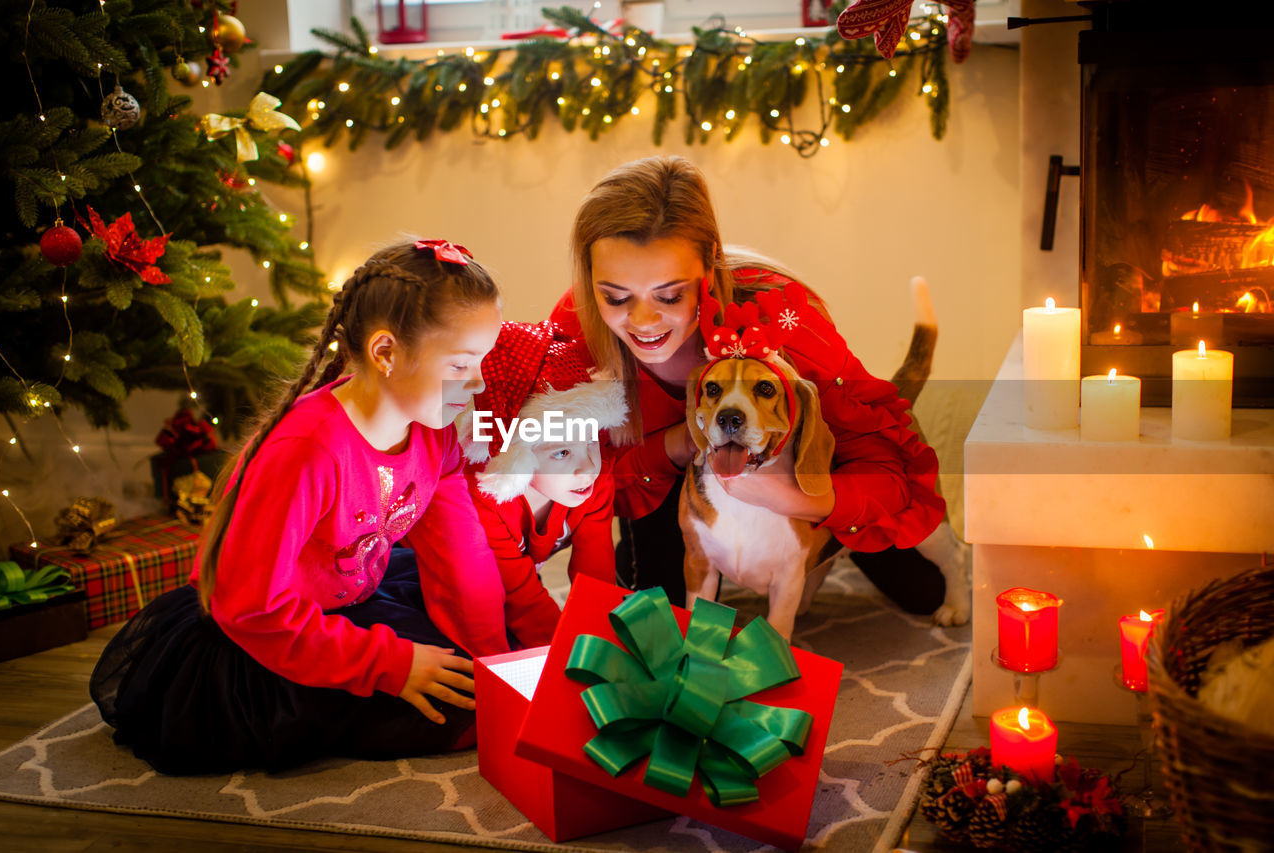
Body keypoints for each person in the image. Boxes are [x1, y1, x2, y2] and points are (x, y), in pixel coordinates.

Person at [90, 239, 510, 775]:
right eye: (461, 364)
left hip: (350, 595)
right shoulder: (306, 451)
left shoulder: (435, 437)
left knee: (480, 679)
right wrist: (390, 663)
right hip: (257, 633)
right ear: (385, 353)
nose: (476, 383)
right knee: (446, 716)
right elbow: (249, 607)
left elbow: (462, 561)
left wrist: (495, 663)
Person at [550, 155, 948, 611]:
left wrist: (803, 501)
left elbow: (884, 463)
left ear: (711, 263)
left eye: (671, 295)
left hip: (801, 472)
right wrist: (680, 443)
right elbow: (575, 471)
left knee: (924, 595)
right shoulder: (574, 328)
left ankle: (820, 553)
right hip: (666, 486)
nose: (643, 321)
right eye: (616, 297)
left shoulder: (781, 318)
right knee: (657, 615)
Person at [454, 320, 627, 647]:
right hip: (441, 583)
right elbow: (522, 599)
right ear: (517, 453)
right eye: (562, 452)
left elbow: (596, 582)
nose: (587, 467)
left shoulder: (595, 480)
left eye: (590, 440)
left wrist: (603, 651)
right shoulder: (485, 494)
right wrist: (564, 661)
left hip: (513, 577)